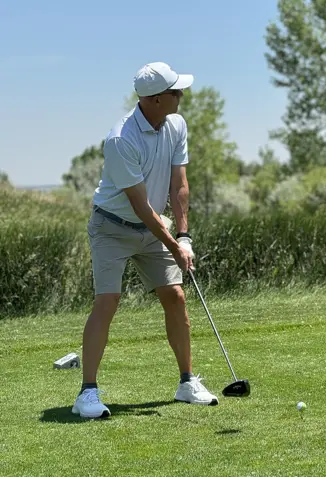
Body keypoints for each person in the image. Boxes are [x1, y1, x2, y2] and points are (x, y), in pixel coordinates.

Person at [72, 62, 217, 419]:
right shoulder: (121, 139)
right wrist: (174, 246)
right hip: (113, 227)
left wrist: (184, 236)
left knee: (175, 295)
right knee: (108, 301)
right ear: (153, 99)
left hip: (156, 227)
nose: (181, 95)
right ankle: (87, 394)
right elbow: (139, 207)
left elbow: (178, 186)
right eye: (174, 91)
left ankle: (186, 383)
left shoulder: (176, 125)